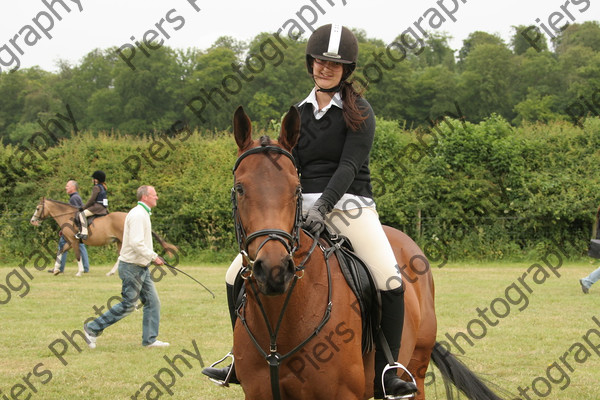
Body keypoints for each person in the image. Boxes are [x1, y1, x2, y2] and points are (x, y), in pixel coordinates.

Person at [202, 24, 417, 398]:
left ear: (346, 70)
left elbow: (349, 167)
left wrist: (324, 206)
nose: (325, 68)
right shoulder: (299, 112)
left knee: (389, 278)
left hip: (351, 205)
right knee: (235, 273)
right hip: (297, 208)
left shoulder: (360, 112)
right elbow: (288, 167)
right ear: (310, 63)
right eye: (320, 61)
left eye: (334, 64)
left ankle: (388, 370)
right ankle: (241, 356)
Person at [82, 185, 169, 349]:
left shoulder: (142, 213)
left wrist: (151, 257)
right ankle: (92, 328)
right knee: (128, 304)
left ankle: (150, 340)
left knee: (153, 302)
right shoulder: (137, 215)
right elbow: (136, 243)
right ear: (145, 197)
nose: (157, 197)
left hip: (141, 267)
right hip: (131, 267)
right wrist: (154, 256)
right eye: (154, 195)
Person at [49, 180, 90, 276]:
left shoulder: (74, 198)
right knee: (80, 245)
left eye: (67, 186)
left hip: (73, 226)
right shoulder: (76, 197)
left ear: (73, 187)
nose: (65, 188)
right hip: (75, 226)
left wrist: (66, 228)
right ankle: (85, 267)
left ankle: (59, 267)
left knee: (63, 245)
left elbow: (75, 214)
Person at [75, 170, 109, 240]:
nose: (92, 180)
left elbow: (92, 200)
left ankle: (84, 233)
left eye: (93, 178)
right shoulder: (103, 187)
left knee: (82, 214)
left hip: (97, 207)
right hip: (103, 207)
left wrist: (84, 207)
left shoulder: (96, 187)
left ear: (96, 180)